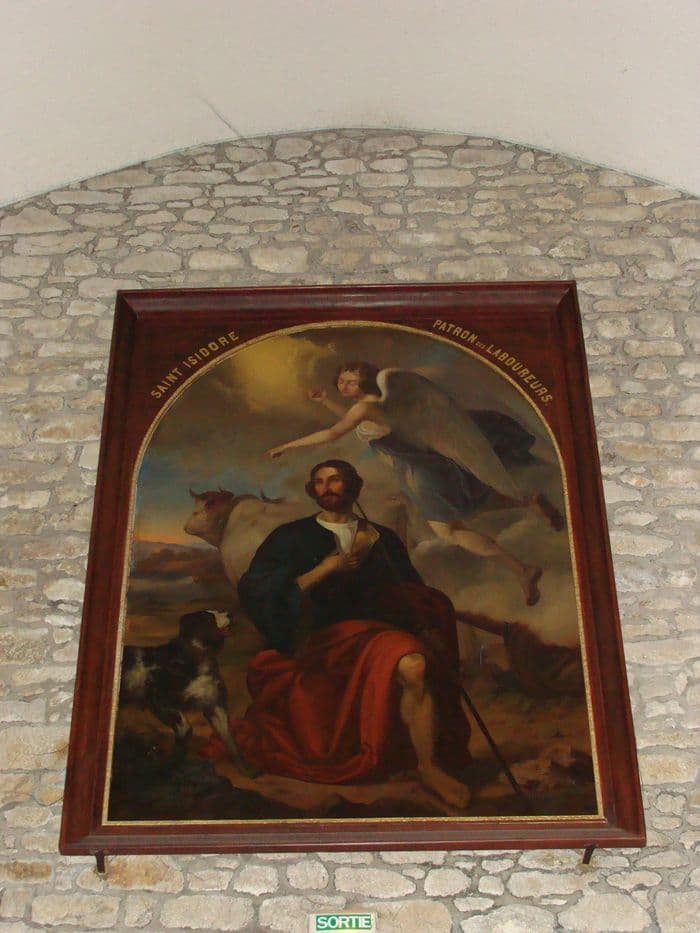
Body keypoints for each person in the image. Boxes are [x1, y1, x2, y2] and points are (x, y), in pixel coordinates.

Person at [233, 459, 472, 809]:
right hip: (318, 638)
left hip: (378, 634)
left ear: (352, 486)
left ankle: (429, 768)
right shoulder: (290, 537)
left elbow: (409, 591)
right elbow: (257, 591)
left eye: (334, 479)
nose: (326, 487)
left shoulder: (380, 537)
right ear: (312, 490)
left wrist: (427, 618)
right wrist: (326, 568)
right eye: (319, 481)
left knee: (414, 665)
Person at [266, 361, 565, 606]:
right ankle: (528, 503)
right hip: (429, 467)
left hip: (420, 475)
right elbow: (354, 422)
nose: (344, 386)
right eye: (341, 381)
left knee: (450, 531)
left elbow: (334, 433)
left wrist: (287, 446)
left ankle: (522, 569)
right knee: (469, 507)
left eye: (351, 382)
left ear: (364, 382)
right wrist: (326, 401)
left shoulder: (363, 409)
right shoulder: (377, 404)